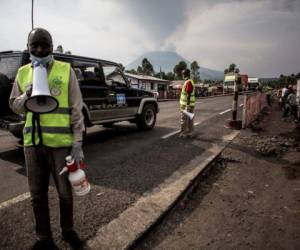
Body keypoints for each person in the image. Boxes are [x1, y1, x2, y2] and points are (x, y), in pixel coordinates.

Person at [9, 28, 85, 250]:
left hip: (61, 146)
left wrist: (77, 142)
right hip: (32, 145)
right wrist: (26, 95)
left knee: (65, 193)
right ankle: (43, 237)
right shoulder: (23, 73)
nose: (40, 50)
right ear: (28, 47)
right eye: (35, 45)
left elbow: (76, 108)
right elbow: (13, 105)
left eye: (45, 45)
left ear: (52, 47)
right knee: (37, 195)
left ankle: (68, 230)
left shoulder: (65, 70)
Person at [179, 69, 195, 138]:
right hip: (190, 105)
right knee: (190, 119)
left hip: (186, 105)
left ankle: (183, 133)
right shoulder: (190, 81)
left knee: (184, 119)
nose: (182, 75)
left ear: (185, 74)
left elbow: (188, 94)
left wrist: (187, 105)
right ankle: (190, 133)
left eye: (183, 74)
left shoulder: (188, 82)